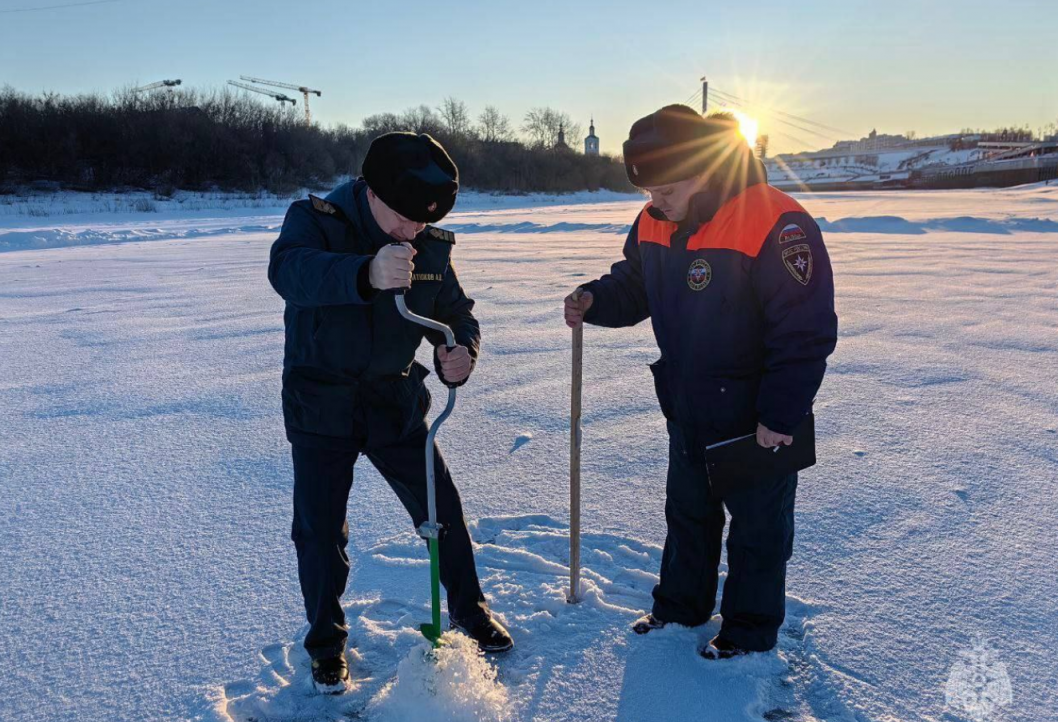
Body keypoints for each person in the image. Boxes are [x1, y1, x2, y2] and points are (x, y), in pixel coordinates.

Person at [564, 105, 838, 659]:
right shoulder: (653, 220)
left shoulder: (776, 222)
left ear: (703, 169)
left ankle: (748, 632)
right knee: (687, 514)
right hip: (687, 405)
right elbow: (634, 284)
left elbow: (804, 332)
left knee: (758, 532)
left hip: (756, 417)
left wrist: (779, 417)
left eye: (665, 188)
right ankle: (679, 609)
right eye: (647, 190)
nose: (653, 201)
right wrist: (596, 299)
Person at [268, 131, 513, 695]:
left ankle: (470, 612)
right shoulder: (316, 220)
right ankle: (326, 642)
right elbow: (289, 272)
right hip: (321, 402)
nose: (412, 232)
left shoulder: (427, 243)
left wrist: (460, 351)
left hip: (393, 399)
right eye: (402, 218)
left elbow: (457, 311)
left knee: (440, 505)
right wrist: (364, 273)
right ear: (370, 191)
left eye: (422, 223)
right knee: (320, 528)